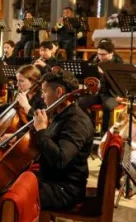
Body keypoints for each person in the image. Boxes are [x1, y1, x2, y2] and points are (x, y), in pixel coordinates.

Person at [32, 70, 95, 210]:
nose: (42, 97)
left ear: (59, 92)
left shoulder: (77, 122)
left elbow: (60, 159)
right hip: (51, 179)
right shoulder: (60, 114)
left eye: (44, 91)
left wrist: (41, 130)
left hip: (64, 189)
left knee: (11, 197)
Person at [77, 39, 123, 136]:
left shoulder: (118, 64)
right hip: (99, 93)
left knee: (107, 106)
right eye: (98, 54)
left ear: (111, 54)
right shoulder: (96, 61)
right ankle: (91, 128)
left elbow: (118, 84)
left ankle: (104, 132)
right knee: (81, 102)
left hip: (113, 94)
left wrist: (105, 74)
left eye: (103, 54)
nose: (100, 57)